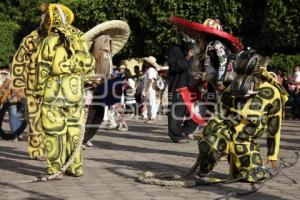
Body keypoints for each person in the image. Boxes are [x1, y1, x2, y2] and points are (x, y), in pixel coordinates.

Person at [197, 50, 288, 182]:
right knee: (209, 143)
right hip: (227, 128)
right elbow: (219, 114)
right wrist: (206, 136)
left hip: (245, 136)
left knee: (254, 175)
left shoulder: (272, 92)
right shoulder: (233, 86)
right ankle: (205, 169)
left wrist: (272, 154)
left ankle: (240, 165)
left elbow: (274, 127)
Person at [34, 3, 95, 177]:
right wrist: (83, 82)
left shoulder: (49, 41)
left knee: (54, 130)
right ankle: (75, 167)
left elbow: (43, 68)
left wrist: (38, 91)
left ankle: (56, 168)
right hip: (75, 91)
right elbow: (89, 66)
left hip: (54, 90)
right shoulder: (80, 40)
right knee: (74, 130)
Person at [9, 5, 50, 159]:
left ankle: (49, 147)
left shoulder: (58, 40)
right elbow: (19, 62)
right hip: (32, 87)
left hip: (53, 87)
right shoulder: (30, 40)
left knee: (50, 120)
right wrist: (18, 86)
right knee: (34, 119)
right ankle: (36, 149)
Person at [82, 20, 130, 147]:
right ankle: (81, 138)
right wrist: (91, 80)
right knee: (88, 116)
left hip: (102, 92)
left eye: (108, 49)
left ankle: (86, 138)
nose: (107, 51)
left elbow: (109, 73)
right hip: (89, 92)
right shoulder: (88, 59)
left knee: (98, 115)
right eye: (104, 48)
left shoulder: (108, 60)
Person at [142, 56, 159, 123]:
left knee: (152, 102)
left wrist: (146, 88)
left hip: (150, 87)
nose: (146, 63)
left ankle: (153, 117)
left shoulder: (151, 70)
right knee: (149, 102)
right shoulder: (150, 69)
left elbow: (150, 79)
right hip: (150, 87)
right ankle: (150, 116)